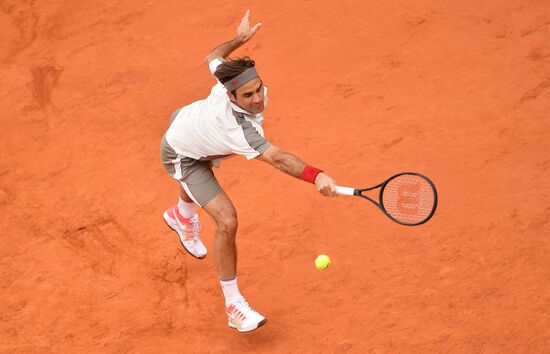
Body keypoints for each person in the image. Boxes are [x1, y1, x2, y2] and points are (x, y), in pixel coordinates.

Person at [160, 10, 337, 332]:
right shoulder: (239, 130)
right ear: (230, 96)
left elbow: (212, 56)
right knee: (226, 220)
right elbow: (279, 159)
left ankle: (181, 214)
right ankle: (233, 305)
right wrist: (317, 175)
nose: (258, 99)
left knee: (204, 162)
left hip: (188, 124)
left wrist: (239, 41)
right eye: (248, 95)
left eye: (259, 89)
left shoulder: (227, 78)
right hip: (181, 152)